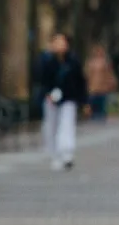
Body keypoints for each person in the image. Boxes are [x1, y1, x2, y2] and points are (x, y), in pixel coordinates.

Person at [35, 32, 86, 169]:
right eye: (56, 42)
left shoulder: (73, 61)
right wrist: (47, 94)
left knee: (66, 124)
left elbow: (80, 81)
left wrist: (84, 101)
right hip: (50, 98)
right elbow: (41, 79)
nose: (60, 45)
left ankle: (67, 152)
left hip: (69, 98)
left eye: (62, 42)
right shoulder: (46, 60)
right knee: (51, 126)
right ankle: (55, 154)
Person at [84, 44, 117, 121]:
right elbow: (86, 75)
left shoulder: (105, 63)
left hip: (103, 88)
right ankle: (94, 119)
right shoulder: (90, 63)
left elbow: (110, 75)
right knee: (93, 106)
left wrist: (111, 83)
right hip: (92, 89)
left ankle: (101, 120)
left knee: (102, 107)